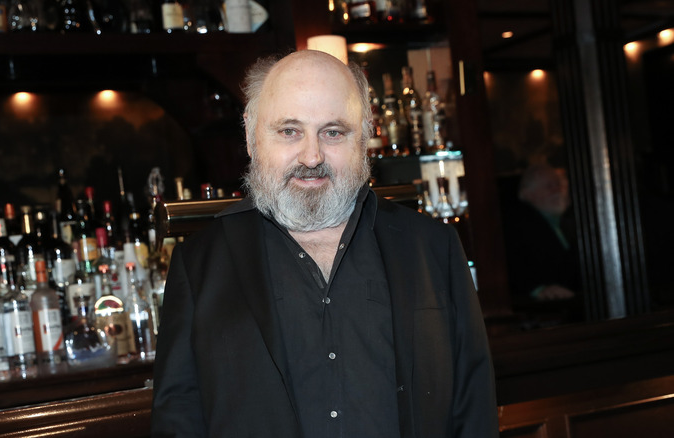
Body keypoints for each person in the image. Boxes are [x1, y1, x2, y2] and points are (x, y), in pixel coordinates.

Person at [150, 50, 498, 438]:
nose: (312, 156)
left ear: (365, 135)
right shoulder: (198, 266)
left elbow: (474, 406)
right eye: (289, 131)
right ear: (251, 135)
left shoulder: (434, 247)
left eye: (333, 132)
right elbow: (177, 420)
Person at [502, 163, 582, 325]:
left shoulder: (573, 219)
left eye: (560, 185)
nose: (557, 190)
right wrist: (539, 290)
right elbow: (511, 264)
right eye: (549, 186)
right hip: (545, 316)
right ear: (526, 194)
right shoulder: (516, 224)